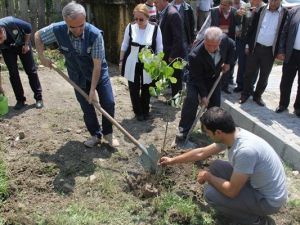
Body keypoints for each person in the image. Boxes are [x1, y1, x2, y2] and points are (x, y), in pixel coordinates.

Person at [161, 107, 288, 225]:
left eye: (207, 132)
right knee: (217, 166)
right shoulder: (232, 134)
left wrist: (208, 177)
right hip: (259, 187)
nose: (207, 135)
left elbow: (232, 191)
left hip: (268, 201)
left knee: (210, 194)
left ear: (218, 132)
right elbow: (202, 152)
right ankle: (248, 208)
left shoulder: (245, 151)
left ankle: (256, 220)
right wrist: (172, 160)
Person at [35, 1, 119, 148]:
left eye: (82, 25)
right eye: (73, 27)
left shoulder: (95, 35)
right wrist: (41, 57)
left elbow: (97, 66)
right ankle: (95, 135)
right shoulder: (58, 29)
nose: (78, 30)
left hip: (98, 74)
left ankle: (108, 133)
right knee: (87, 107)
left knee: (109, 102)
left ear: (85, 19)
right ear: (66, 22)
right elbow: (37, 35)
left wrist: (92, 90)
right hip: (77, 76)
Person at [177, 27, 235, 140]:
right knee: (191, 100)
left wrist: (228, 63)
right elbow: (198, 78)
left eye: (214, 45)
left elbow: (232, 46)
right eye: (208, 44)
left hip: (214, 78)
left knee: (215, 105)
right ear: (204, 40)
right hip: (196, 78)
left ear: (219, 42)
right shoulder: (195, 55)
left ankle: (210, 130)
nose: (211, 48)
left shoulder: (225, 40)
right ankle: (184, 130)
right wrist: (203, 96)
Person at [239, 0, 288, 106]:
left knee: (264, 75)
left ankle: (257, 96)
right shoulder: (261, 9)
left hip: (270, 50)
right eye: (272, 0)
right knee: (249, 72)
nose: (274, 2)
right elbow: (251, 27)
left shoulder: (284, 13)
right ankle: (245, 94)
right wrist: (248, 45)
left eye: (277, 0)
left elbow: (284, 33)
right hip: (255, 48)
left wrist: (280, 51)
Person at [119, 4, 163, 121]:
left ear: (147, 17)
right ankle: (138, 112)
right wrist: (121, 61)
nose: (138, 21)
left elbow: (159, 48)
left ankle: (145, 111)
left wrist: (158, 63)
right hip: (132, 61)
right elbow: (124, 44)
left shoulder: (155, 28)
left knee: (146, 87)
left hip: (148, 63)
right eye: (136, 19)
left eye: (141, 19)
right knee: (133, 88)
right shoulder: (130, 27)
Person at [195, 0, 241, 94]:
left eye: (225, 5)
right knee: (216, 64)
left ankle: (225, 86)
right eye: (221, 4)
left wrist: (238, 30)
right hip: (215, 43)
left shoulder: (234, 13)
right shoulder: (214, 11)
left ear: (230, 5)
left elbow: (238, 26)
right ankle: (214, 85)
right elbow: (206, 26)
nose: (222, 6)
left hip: (229, 43)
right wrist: (198, 38)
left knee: (228, 64)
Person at [0, 16, 43, 110]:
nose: (1, 42)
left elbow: (28, 28)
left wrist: (26, 44)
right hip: (7, 50)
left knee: (31, 70)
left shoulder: (11, 22)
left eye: (1, 39)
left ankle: (38, 98)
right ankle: (20, 100)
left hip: (23, 43)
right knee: (13, 73)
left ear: (2, 30)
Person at [233, 0, 265, 93]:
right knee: (241, 62)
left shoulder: (264, 8)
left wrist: (256, 14)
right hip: (242, 39)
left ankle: (250, 86)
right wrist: (238, 15)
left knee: (253, 66)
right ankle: (240, 84)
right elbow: (238, 22)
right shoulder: (246, 6)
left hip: (255, 41)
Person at [155, 0, 185, 97]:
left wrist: (173, 55)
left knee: (176, 78)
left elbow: (178, 38)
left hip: (173, 54)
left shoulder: (173, 14)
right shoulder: (162, 12)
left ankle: (176, 101)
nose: (155, 4)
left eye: (157, 2)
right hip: (166, 52)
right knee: (168, 76)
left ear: (164, 1)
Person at [276, 6, 300, 118]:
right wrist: (281, 50)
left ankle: (298, 107)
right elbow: (284, 32)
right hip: (291, 53)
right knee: (286, 80)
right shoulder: (294, 11)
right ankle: (283, 104)